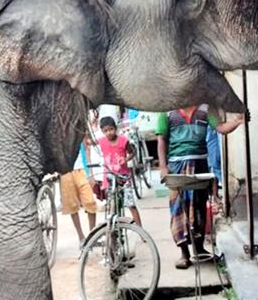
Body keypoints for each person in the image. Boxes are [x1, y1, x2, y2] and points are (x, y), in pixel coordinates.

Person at [157, 105, 243, 269]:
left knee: (199, 207)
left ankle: (199, 248)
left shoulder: (207, 109)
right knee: (178, 209)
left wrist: (237, 121)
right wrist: (163, 166)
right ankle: (184, 254)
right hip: (176, 166)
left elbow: (221, 128)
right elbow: (161, 139)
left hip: (200, 164)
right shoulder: (167, 111)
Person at [96, 116, 143, 227]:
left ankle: (140, 230)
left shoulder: (123, 141)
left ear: (115, 128)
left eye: (111, 129)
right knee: (112, 206)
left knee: (131, 204)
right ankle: (113, 232)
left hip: (124, 177)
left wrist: (125, 159)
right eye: (105, 131)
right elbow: (88, 142)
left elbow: (132, 152)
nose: (109, 133)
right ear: (102, 131)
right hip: (109, 177)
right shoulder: (101, 142)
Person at [59, 137, 99, 244]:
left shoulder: (78, 127)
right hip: (65, 172)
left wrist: (90, 173)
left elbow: (86, 149)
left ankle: (92, 235)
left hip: (82, 169)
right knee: (72, 205)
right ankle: (81, 237)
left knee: (90, 202)